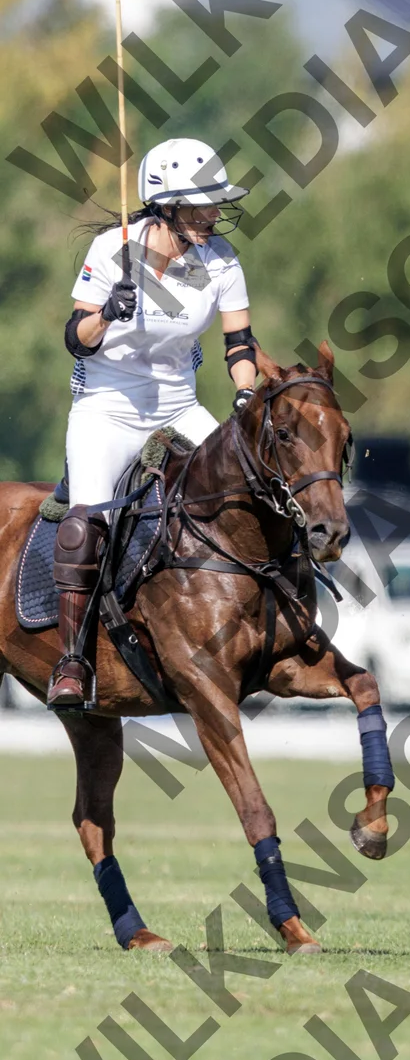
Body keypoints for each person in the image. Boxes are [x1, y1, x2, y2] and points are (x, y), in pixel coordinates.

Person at [47, 138, 260, 707]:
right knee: (84, 526)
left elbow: (239, 343)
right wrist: (106, 314)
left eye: (215, 203)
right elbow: (76, 340)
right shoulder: (113, 249)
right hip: (107, 407)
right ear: (167, 205)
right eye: (202, 205)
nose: (214, 214)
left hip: (178, 404)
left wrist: (245, 395)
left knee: (246, 493)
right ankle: (72, 661)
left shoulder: (221, 261)